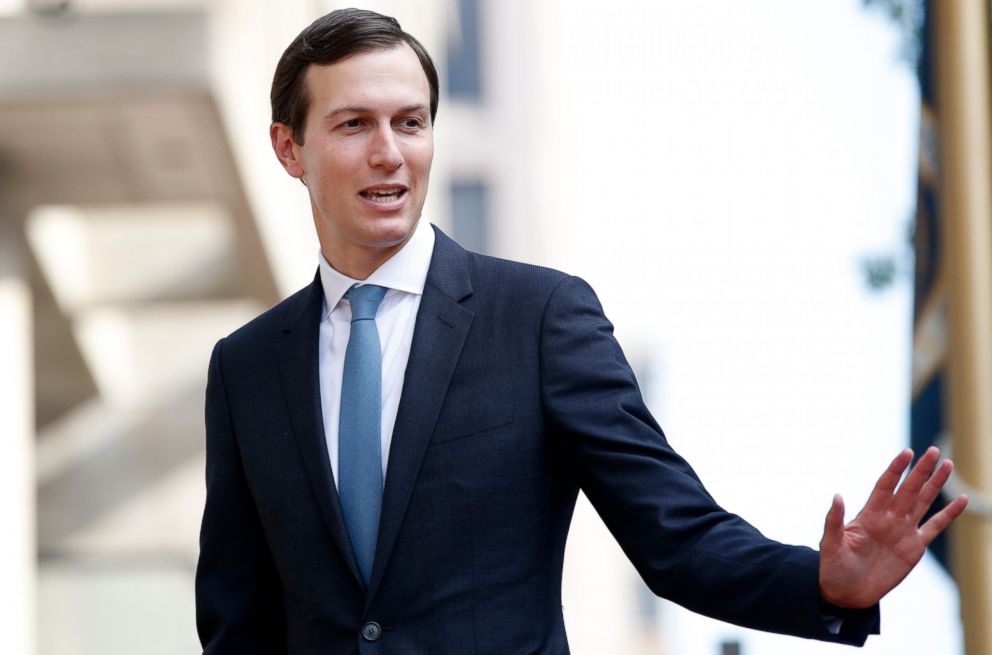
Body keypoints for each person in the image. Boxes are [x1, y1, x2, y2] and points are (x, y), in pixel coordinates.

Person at [195, 8, 968, 654]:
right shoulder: (246, 367)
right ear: (289, 147)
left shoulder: (538, 319)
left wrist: (823, 583)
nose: (390, 152)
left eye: (411, 121)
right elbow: (238, 616)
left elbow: (676, 535)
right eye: (354, 124)